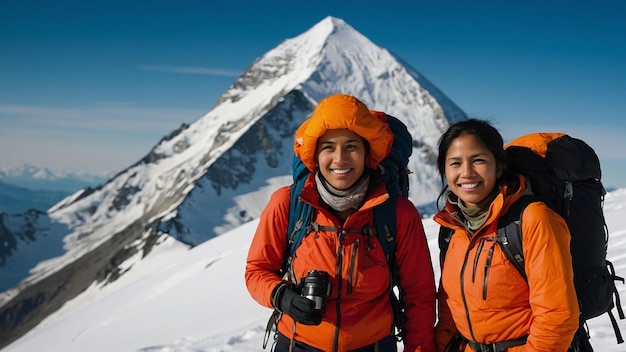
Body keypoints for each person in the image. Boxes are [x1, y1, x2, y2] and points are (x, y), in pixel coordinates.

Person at [245, 94, 437, 352]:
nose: (340, 159)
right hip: (297, 344)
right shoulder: (288, 204)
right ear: (315, 154)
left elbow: (419, 296)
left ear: (368, 153)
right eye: (328, 147)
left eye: (351, 146)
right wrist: (282, 296)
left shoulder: (398, 213)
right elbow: (257, 271)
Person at [433, 118, 580, 351]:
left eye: (478, 160)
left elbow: (557, 316)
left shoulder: (533, 218)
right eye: (455, 163)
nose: (467, 173)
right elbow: (450, 311)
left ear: (499, 166)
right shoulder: (454, 228)